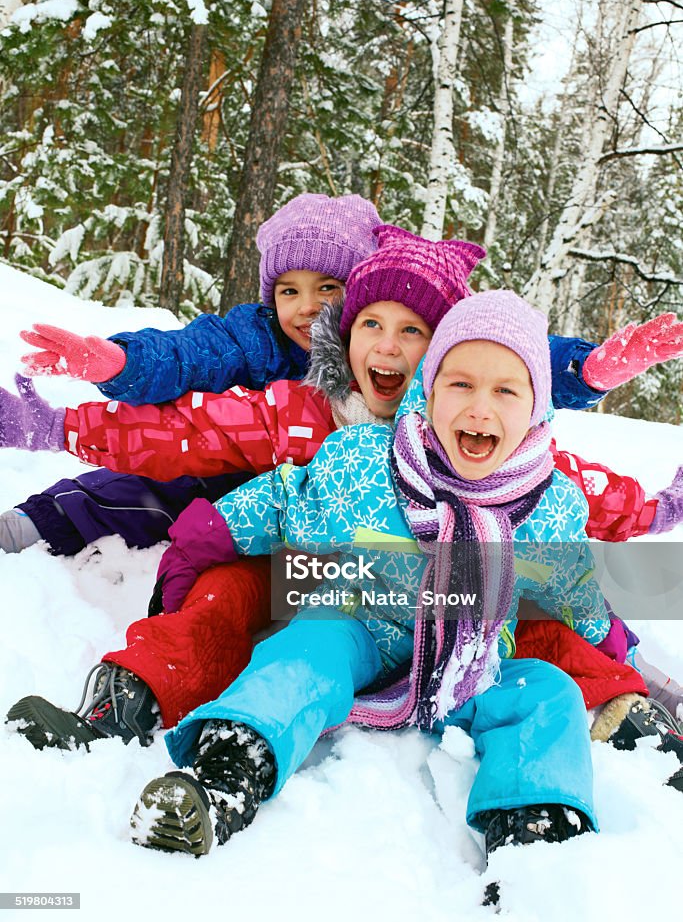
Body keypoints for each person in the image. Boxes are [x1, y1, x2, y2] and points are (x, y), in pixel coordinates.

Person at [4, 231, 683, 745]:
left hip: (452, 603)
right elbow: (188, 433)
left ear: (443, 353)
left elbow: (576, 494)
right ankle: (127, 699)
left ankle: (635, 723)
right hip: (326, 591)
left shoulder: (481, 431)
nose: (387, 349)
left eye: (412, 331)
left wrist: (658, 509)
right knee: (224, 593)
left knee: (540, 617)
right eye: (370, 326)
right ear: (344, 335)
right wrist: (62, 424)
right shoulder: (305, 410)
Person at [128, 290, 611, 882]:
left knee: (548, 693)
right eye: (460, 384)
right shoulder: (361, 459)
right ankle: (228, 768)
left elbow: (576, 586)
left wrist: (617, 647)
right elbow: (284, 502)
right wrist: (204, 536)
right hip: (362, 624)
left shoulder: (551, 505)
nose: (480, 408)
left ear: (536, 409)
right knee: (309, 643)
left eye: (506, 391)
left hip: (472, 658)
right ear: (428, 390)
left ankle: (538, 838)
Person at [0, 192, 382, 555]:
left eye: (328, 288)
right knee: (168, 469)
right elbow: (191, 354)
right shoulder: (257, 337)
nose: (306, 307)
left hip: (335, 518)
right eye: (289, 291)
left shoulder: (381, 356)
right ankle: (42, 521)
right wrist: (124, 363)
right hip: (240, 482)